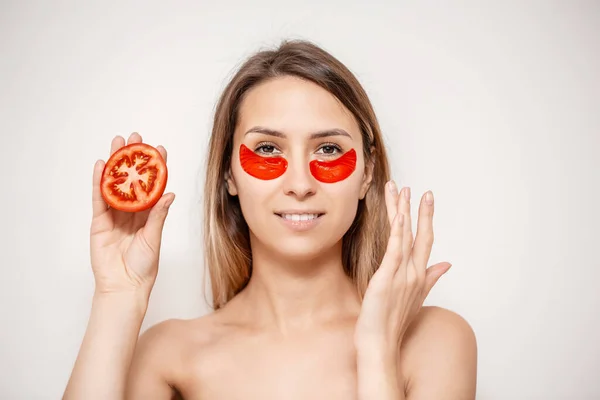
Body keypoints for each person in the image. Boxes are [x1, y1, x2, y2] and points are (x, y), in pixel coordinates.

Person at [63, 39, 477, 399]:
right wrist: (117, 297)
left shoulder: (435, 340)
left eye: (329, 149)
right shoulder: (170, 354)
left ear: (367, 173)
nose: (300, 183)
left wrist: (377, 353)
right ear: (229, 173)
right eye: (266, 150)